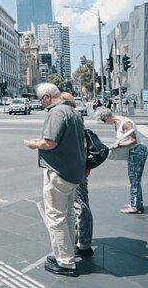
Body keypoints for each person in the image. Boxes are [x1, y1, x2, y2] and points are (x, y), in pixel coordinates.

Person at [24, 84, 85, 277]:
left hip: (58, 171)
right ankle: (67, 252)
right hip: (74, 171)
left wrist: (34, 144)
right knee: (68, 215)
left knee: (56, 217)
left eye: (41, 99)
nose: (40, 103)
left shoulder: (56, 112)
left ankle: (65, 262)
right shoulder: (72, 111)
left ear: (47, 97)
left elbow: (50, 142)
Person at [95, 106, 148, 213]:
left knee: (134, 179)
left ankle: (135, 206)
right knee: (134, 178)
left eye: (103, 120)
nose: (105, 123)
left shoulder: (125, 123)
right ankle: (136, 203)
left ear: (107, 117)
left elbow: (132, 140)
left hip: (137, 151)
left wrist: (119, 145)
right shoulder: (118, 123)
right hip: (134, 151)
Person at [59, 93, 94, 257]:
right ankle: (81, 240)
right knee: (79, 205)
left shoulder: (72, 121)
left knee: (79, 206)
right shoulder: (77, 120)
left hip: (74, 170)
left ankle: (83, 243)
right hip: (79, 169)